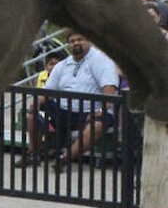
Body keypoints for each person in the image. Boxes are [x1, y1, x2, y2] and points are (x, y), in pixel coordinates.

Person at [34, 31, 120, 167]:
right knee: (30, 113)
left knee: (97, 125)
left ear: (89, 41)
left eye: (80, 39)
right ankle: (34, 154)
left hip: (91, 111)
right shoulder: (63, 65)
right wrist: (35, 104)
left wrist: (101, 109)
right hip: (64, 110)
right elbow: (48, 91)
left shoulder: (101, 60)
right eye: (72, 41)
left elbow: (109, 87)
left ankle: (64, 159)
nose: (76, 43)